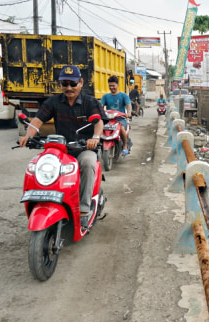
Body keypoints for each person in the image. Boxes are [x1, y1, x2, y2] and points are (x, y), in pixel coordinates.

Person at [18, 65, 104, 228]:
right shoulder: (54, 102)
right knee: (38, 165)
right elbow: (37, 121)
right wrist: (28, 136)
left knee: (87, 163)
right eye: (65, 84)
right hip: (61, 150)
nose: (69, 88)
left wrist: (95, 137)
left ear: (81, 82)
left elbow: (98, 122)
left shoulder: (90, 102)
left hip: (84, 149)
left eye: (73, 84)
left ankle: (84, 210)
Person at [101, 75, 131, 155]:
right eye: (110, 86)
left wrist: (128, 113)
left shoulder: (123, 95)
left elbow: (128, 105)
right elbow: (100, 106)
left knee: (121, 128)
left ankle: (125, 145)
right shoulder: (105, 96)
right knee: (98, 127)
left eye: (113, 85)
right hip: (108, 119)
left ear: (117, 85)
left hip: (120, 119)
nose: (111, 87)